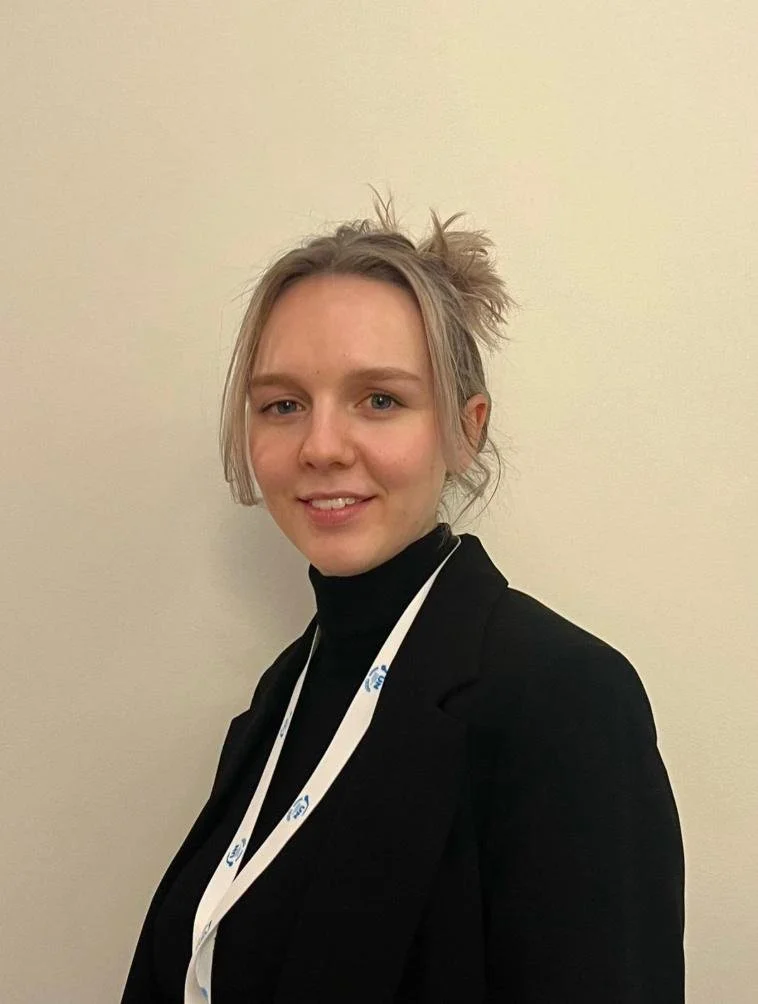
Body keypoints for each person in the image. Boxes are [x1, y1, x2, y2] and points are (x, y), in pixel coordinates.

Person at [121, 192, 684, 1003]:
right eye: (283, 405)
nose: (320, 446)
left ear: (466, 428)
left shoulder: (561, 699)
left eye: (379, 400)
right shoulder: (285, 693)